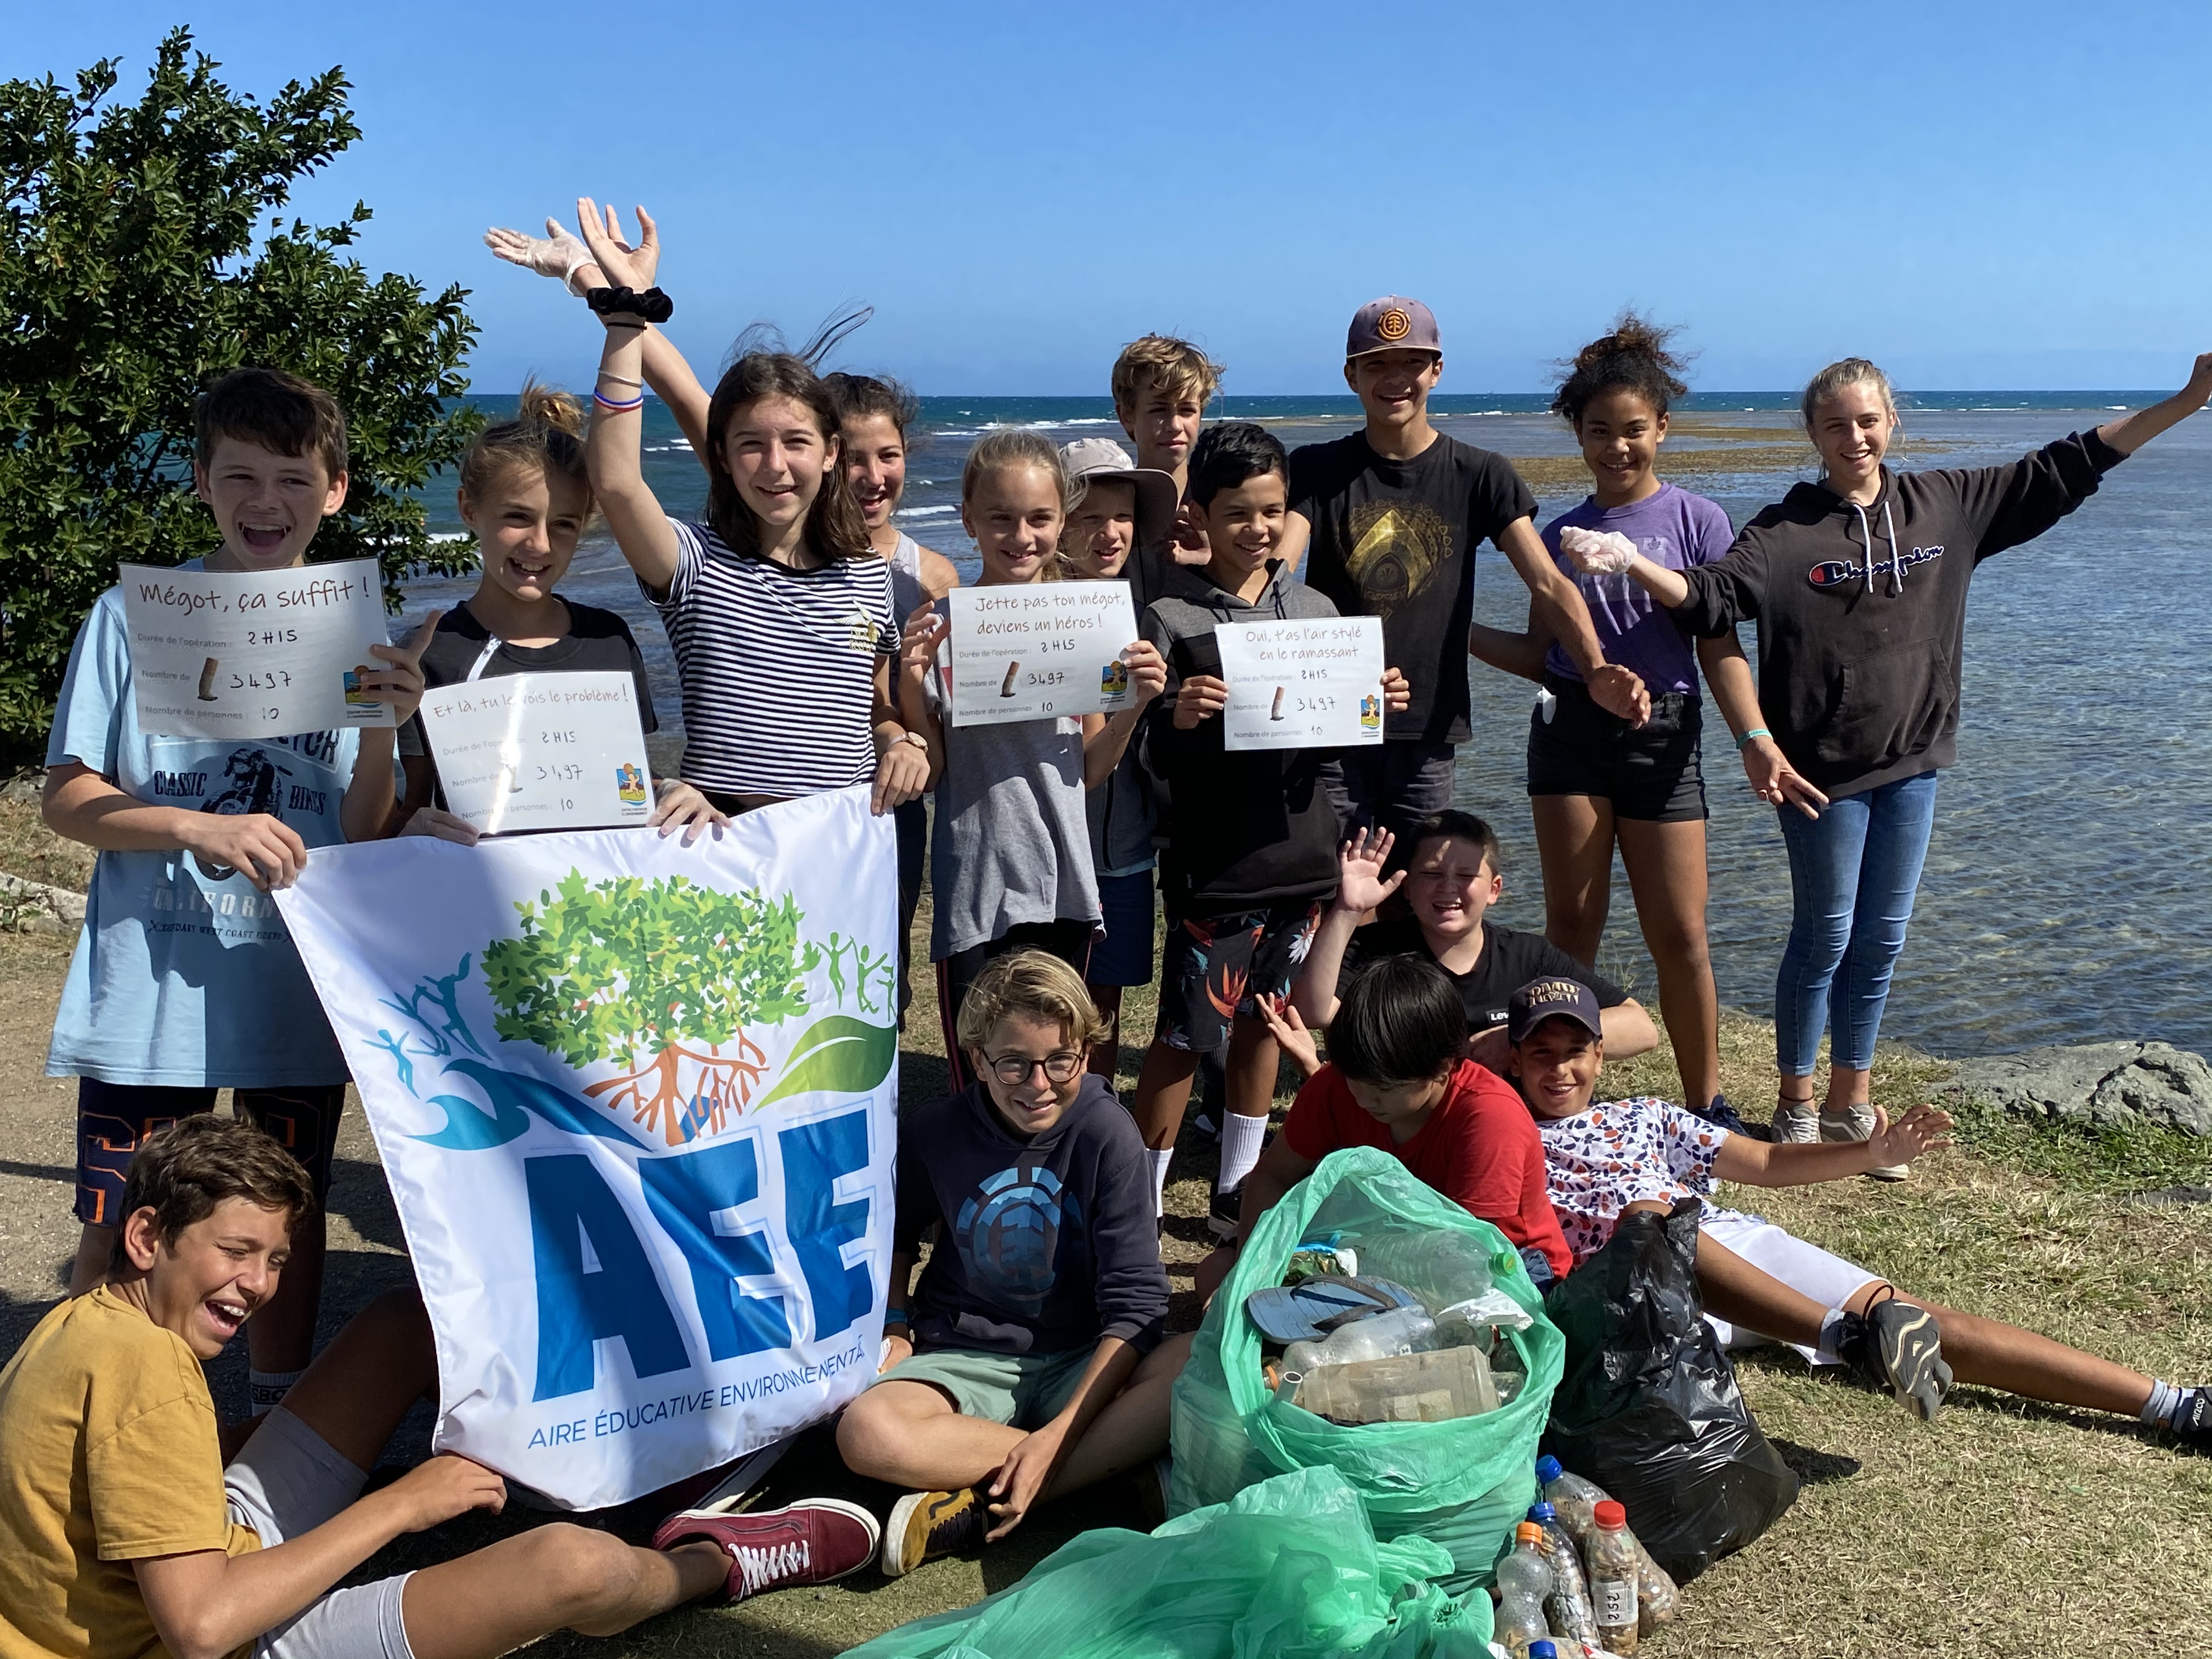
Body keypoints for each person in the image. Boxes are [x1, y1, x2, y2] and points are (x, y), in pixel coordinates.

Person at [1561, 350, 2212, 1167]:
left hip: (1915, 760)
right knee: (1824, 937)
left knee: (1881, 940)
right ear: (1813, 434)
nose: (1855, 438)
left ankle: (1851, 1102)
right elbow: (1713, 599)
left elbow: (2072, 463)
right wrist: (1633, 562)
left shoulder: (1948, 506)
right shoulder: (1784, 532)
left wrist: (2188, 400)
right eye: (1836, 425)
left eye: (1868, 420)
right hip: (1820, 772)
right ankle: (1796, 1102)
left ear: (1891, 421)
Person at [0, 1116, 876, 1659]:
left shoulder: (87, 1323)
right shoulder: (151, 1374)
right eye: (236, 1252)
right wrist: (402, 1505)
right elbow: (200, 1630)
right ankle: (721, 1562)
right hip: (218, 1630)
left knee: (401, 1326)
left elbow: (128, 1477)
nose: (259, 1285)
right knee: (575, 1568)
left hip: (206, 1556)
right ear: (147, 1237)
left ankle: (596, 1463)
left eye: (275, 1259)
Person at [39, 366, 432, 1415]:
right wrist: (194, 825)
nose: (267, 500)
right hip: (153, 985)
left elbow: (360, 830)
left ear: (335, 490)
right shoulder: (129, 616)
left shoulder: (354, 627)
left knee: (277, 1225)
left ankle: (268, 1421)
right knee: (124, 1218)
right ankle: (89, 1417)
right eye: (241, 476)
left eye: (294, 478)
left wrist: (387, 730)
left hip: (292, 984)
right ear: (201, 482)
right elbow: (68, 796)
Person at [1506, 976, 2211, 1446]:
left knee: (1919, 1320)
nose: (1560, 1069)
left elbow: (1768, 1163)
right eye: (1541, 1053)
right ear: (1513, 1060)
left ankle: (2175, 1404)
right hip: (1636, 1295)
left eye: (1576, 1052)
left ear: (1602, 1056)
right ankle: (1849, 1337)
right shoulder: (1500, 1132)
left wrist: (1871, 1153)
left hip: (1725, 1250)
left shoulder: (1642, 1115)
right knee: (1655, 1223)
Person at [1466, 317, 1818, 1127]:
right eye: (1599, 431)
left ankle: (1707, 1104)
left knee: (1681, 935)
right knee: (1570, 930)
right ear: (1577, 435)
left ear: (1662, 427)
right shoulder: (1555, 535)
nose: (1617, 447)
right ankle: (1552, 1103)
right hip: (1568, 736)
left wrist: (1755, 739)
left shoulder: (1698, 521)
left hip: (1666, 739)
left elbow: (1719, 648)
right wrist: (1448, 630)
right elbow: (1538, 655)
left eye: (1633, 430)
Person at [1127, 422, 1410, 1229]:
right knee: (1186, 1036)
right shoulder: (1169, 615)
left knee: (1265, 1024)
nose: (1257, 528)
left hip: (1301, 855)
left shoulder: (1317, 609)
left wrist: (1377, 706)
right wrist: (1176, 716)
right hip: (1216, 864)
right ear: (1199, 515)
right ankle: (1139, 1205)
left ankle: (1237, 1191)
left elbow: (1332, 743)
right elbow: (1142, 750)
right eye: (1237, 513)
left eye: (1272, 511)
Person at [569, 200, 930, 818]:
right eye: (751, 445)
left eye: (796, 442)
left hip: (842, 842)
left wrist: (903, 741)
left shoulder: (869, 575)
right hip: (722, 840)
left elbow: (874, 709)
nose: (775, 465)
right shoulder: (694, 565)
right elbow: (617, 481)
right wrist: (626, 315)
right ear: (724, 456)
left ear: (830, 453)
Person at [835, 953, 1188, 1578]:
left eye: (1060, 1060)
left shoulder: (1110, 1134)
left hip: (1084, 1357)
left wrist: (1061, 1432)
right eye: (1014, 1063)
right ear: (978, 1061)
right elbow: (896, 1232)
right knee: (867, 1433)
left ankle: (984, 1502)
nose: (1039, 1083)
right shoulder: (936, 1130)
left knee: (1198, 1363)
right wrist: (895, 1321)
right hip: (966, 1352)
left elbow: (1137, 1306)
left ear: (1086, 1053)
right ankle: (1108, 1470)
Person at [1277, 296, 1648, 839]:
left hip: (1428, 725)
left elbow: (1547, 582)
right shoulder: (1315, 468)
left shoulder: (1480, 474)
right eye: (1377, 364)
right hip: (1330, 720)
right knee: (1336, 880)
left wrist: (1594, 669)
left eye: (1412, 363)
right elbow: (1274, 579)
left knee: (1422, 881)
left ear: (1437, 371)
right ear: (1352, 375)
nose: (1396, 379)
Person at [896, 433, 1167, 1088]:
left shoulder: (1087, 622)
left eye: (1040, 519)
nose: (1021, 536)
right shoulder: (942, 627)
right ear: (969, 519)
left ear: (1061, 521)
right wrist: (909, 681)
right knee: (983, 1078)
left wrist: (1135, 705)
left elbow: (1092, 770)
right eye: (1001, 518)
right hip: (976, 891)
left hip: (1063, 881)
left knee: (1055, 1069)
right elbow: (934, 772)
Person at [389, 382, 724, 847]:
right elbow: (408, 811)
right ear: (468, 508)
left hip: (596, 884)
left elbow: (624, 778)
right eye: (517, 517)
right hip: (483, 888)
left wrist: (671, 792)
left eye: (564, 524)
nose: (540, 544)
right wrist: (411, 831)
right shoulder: (431, 654)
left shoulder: (609, 638)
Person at [1193, 955, 1571, 1302]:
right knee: (1218, 1275)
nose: (1363, 1099)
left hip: (1503, 1264)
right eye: (1355, 1080)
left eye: (1385, 1089)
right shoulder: (1336, 1085)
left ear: (1443, 1068)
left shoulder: (1489, 1118)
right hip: (1379, 1241)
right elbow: (1272, 1176)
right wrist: (1253, 1271)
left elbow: (1466, 1256)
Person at [1290, 812, 1657, 1071]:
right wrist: (1347, 911)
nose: (1449, 888)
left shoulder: (1528, 957)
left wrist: (1521, 1036)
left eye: (1466, 876)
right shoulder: (1375, 949)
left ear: (1494, 890)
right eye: (1432, 874)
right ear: (1408, 887)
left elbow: (1641, 1029)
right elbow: (1312, 1013)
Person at [826, 371, 961, 1018]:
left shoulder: (931, 575)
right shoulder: (786, 557)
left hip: (891, 804)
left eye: (889, 455)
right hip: (805, 796)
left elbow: (937, 712)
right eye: (854, 459)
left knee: (883, 975)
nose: (874, 477)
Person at [1058, 436, 1181, 1081]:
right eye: (1090, 517)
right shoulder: (1016, 613)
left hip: (1127, 849)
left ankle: (1094, 1112)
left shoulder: (1149, 615)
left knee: (1104, 1003)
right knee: (1045, 996)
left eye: (1123, 517)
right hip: (1048, 854)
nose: (1110, 534)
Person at [1108, 334, 1220, 606]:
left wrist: (1215, 562)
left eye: (1187, 410)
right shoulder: (1109, 508)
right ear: (1127, 416)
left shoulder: (1221, 503)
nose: (1175, 425)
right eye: (1159, 410)